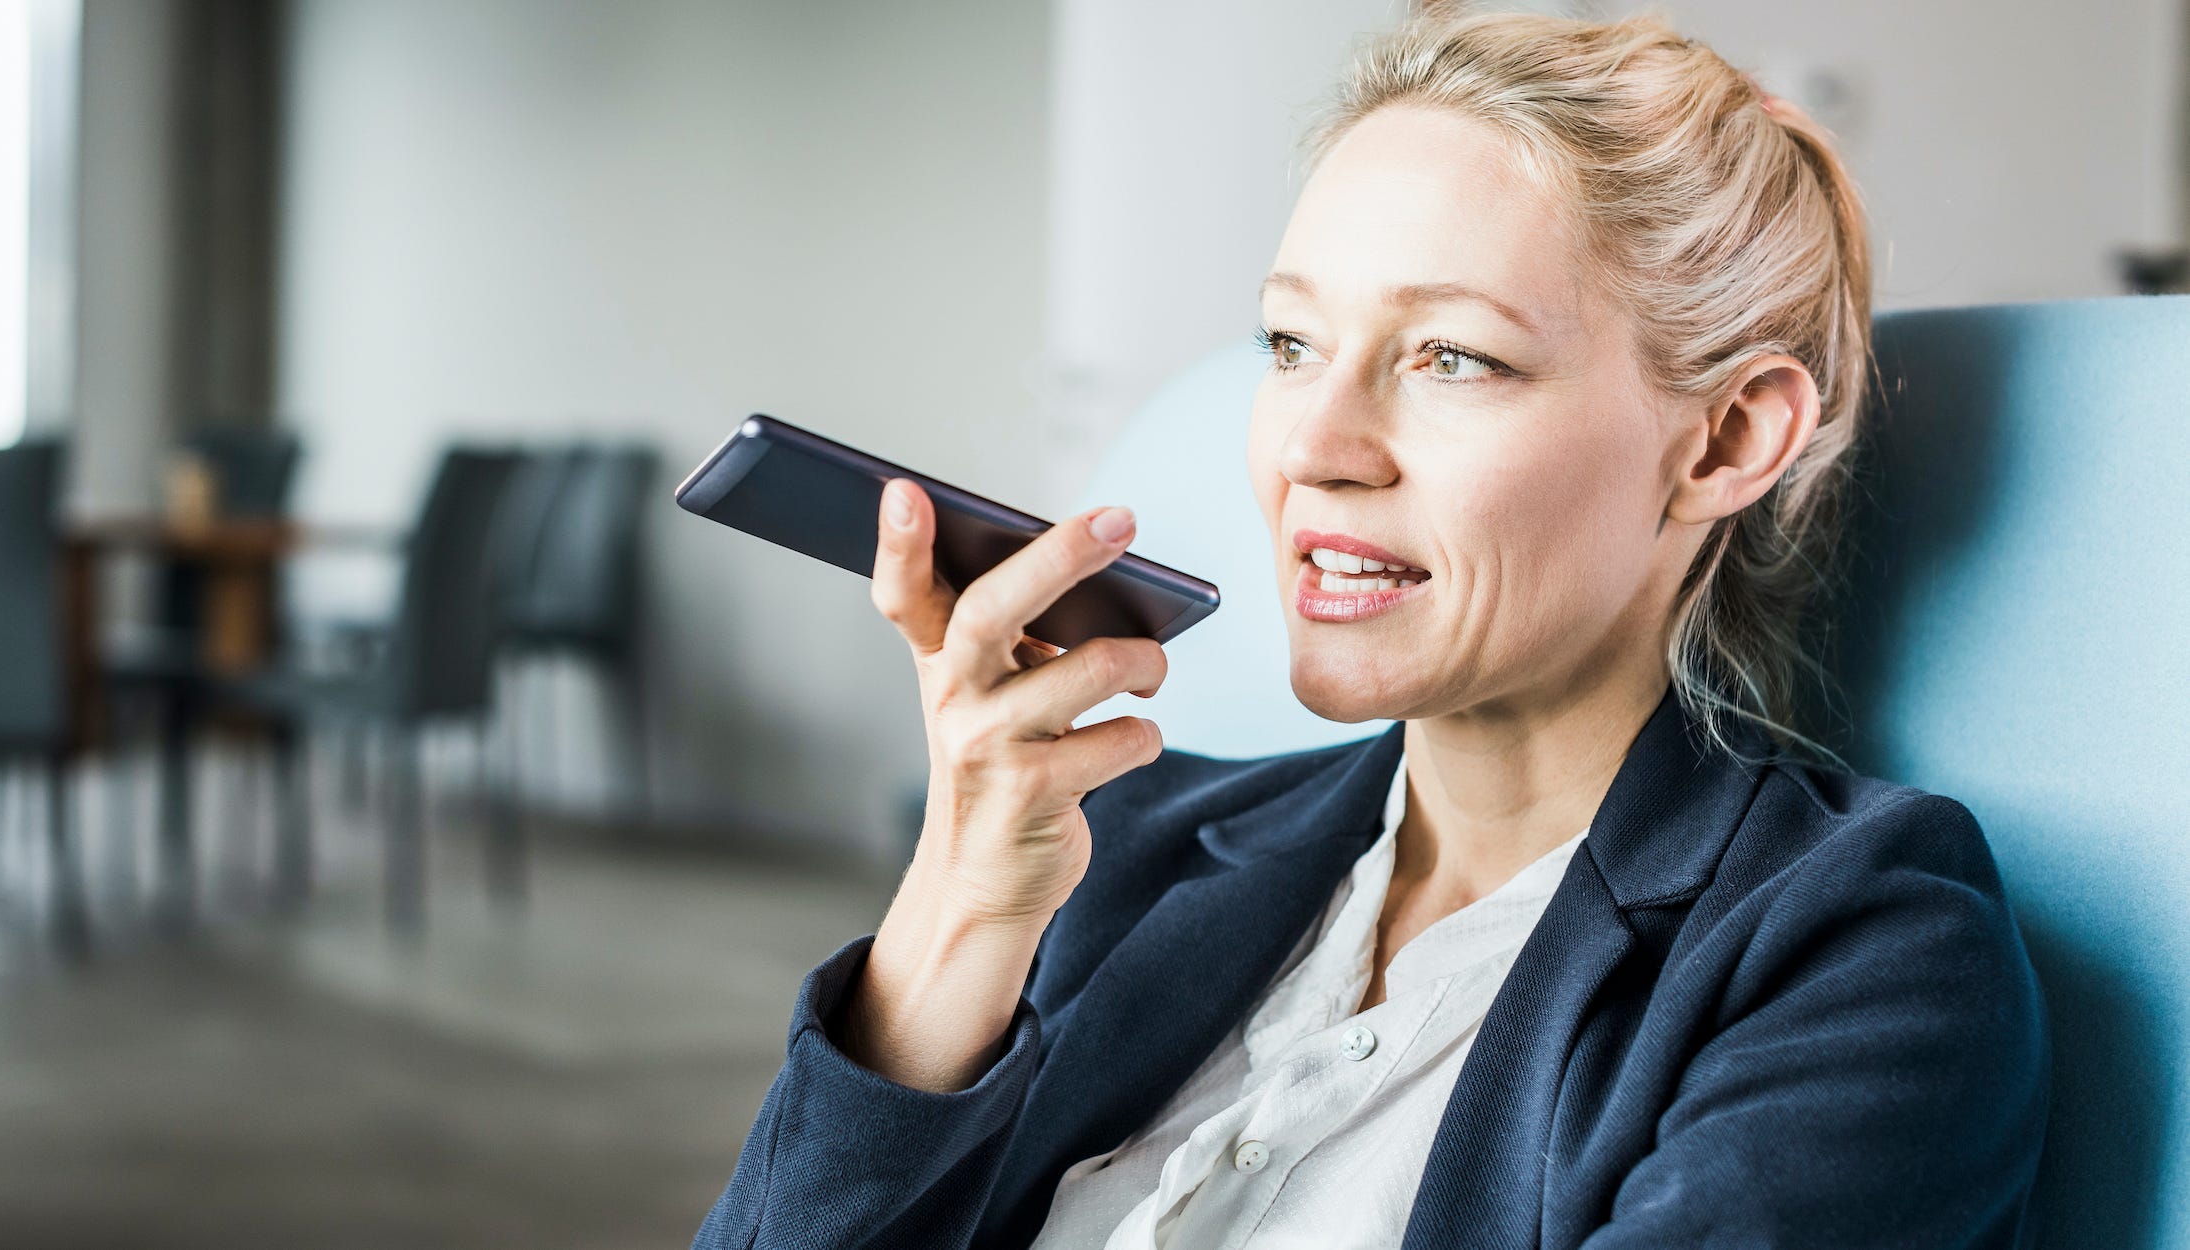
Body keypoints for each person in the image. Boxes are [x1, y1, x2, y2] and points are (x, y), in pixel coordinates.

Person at [695, 10, 2049, 1248]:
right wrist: (956, 913)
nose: (1315, 448)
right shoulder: (1127, 845)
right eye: (1289, 345)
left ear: (1727, 438)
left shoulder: (1863, 949)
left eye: (1452, 356)